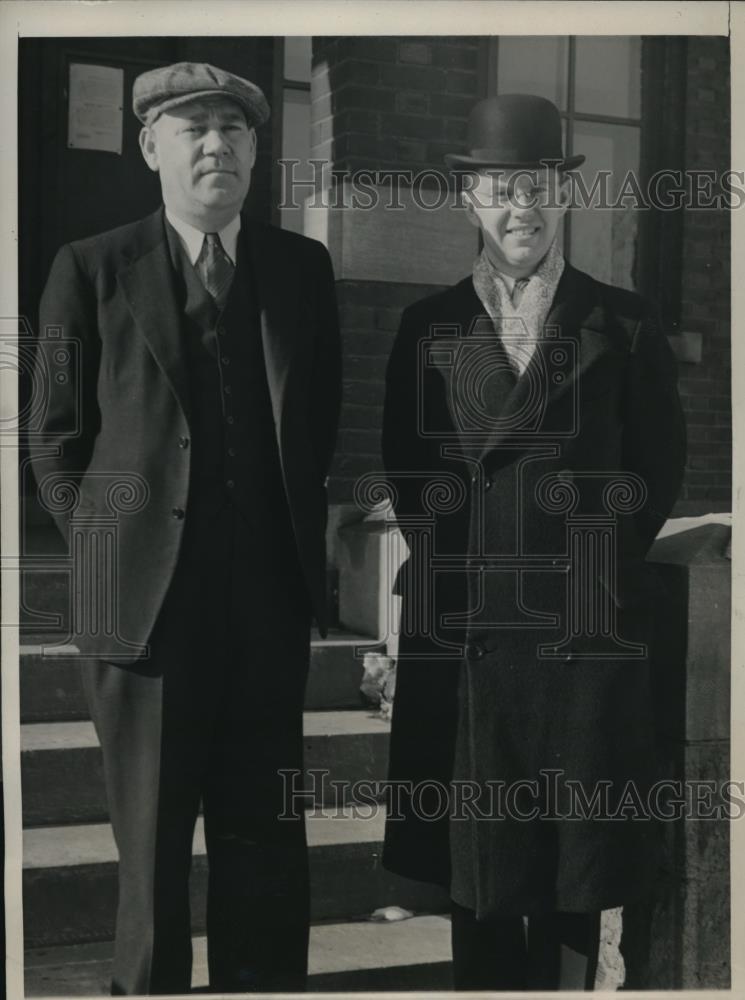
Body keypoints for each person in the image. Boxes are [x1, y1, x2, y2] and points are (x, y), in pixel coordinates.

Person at [30, 61, 341, 995]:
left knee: (266, 846)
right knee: (154, 851)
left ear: (255, 149)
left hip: (265, 612)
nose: (217, 145)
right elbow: (52, 441)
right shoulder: (88, 268)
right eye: (193, 128)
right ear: (150, 147)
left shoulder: (299, 268)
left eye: (234, 130)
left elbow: (317, 419)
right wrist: (104, 566)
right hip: (143, 615)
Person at [381, 94, 686, 990]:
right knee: (476, 879)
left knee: (573, 878)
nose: (521, 209)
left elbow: (655, 470)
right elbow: (410, 476)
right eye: (500, 189)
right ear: (470, 202)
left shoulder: (623, 324)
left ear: (562, 198)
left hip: (579, 641)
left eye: (538, 188)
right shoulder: (426, 328)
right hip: (471, 633)